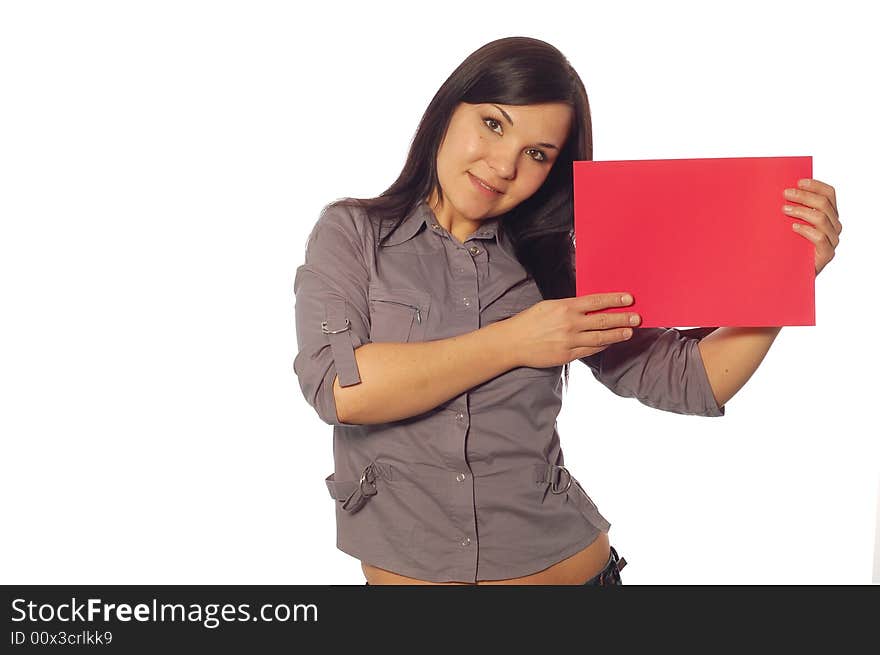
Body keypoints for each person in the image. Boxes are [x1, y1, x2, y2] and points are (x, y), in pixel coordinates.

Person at [292, 36, 841, 585]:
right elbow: (341, 391)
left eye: (537, 154)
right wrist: (517, 340)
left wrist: (785, 278)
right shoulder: (352, 234)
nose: (504, 164)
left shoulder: (559, 267)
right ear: (447, 112)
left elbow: (691, 381)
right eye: (494, 124)